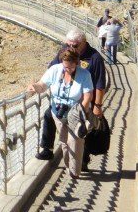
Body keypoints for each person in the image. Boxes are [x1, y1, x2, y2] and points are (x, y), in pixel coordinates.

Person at [37, 28, 106, 170]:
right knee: (49, 115)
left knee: (81, 131)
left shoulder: (95, 58)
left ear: (84, 43)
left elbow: (100, 85)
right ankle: (47, 149)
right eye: (68, 44)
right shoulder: (65, 53)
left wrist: (97, 106)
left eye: (75, 45)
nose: (71, 48)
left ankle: (83, 160)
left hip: (86, 102)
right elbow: (53, 69)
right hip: (65, 101)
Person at [28, 46, 94, 179]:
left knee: (75, 141)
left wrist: (81, 112)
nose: (67, 70)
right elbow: (43, 85)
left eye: (70, 67)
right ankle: (69, 166)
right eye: (65, 67)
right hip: (57, 112)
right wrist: (34, 87)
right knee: (64, 141)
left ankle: (75, 172)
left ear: (77, 63)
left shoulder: (84, 75)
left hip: (75, 113)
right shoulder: (55, 70)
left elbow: (88, 96)